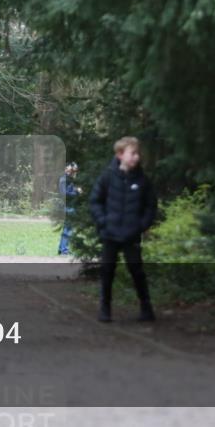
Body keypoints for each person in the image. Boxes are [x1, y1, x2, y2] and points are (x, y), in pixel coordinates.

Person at [88, 136, 158, 323]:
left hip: (131, 235)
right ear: (120, 155)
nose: (136, 157)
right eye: (132, 153)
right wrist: (103, 221)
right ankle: (105, 307)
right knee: (107, 270)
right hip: (110, 234)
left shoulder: (143, 180)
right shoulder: (107, 177)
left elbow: (151, 206)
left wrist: (141, 225)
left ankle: (146, 306)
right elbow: (95, 201)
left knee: (136, 270)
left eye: (137, 154)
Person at [57, 162, 83, 255]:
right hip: (67, 207)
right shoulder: (64, 179)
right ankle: (64, 250)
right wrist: (76, 192)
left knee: (67, 229)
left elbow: (69, 191)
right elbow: (64, 194)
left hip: (70, 206)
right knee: (68, 229)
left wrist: (76, 190)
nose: (73, 171)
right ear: (66, 168)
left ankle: (62, 249)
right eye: (72, 169)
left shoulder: (69, 179)